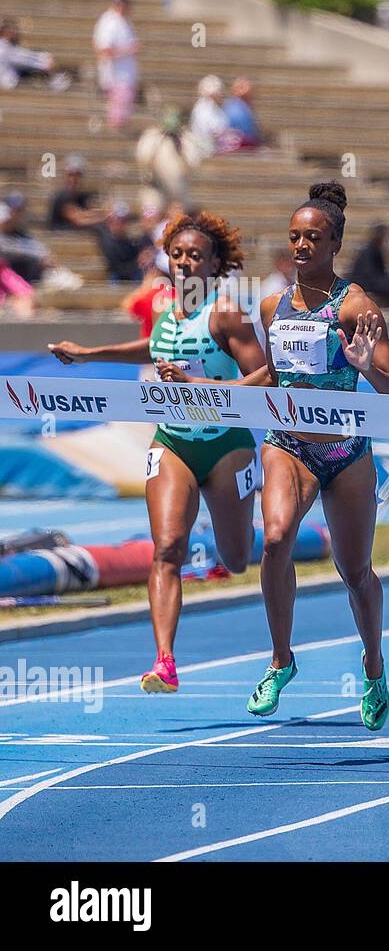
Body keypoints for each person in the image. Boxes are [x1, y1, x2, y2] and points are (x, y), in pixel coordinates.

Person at [48, 211, 266, 693]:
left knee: (236, 559)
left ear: (214, 264)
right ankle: (164, 660)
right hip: (174, 442)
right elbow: (154, 347)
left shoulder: (227, 311)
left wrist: (204, 385)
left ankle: (239, 526)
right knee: (168, 547)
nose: (185, 262)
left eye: (195, 255)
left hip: (227, 445)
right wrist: (88, 355)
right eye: (178, 254)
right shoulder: (169, 310)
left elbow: (266, 376)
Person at [246, 181, 389, 732]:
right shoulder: (271, 306)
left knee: (356, 572)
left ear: (334, 244)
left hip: (346, 451)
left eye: (312, 238)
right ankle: (280, 658)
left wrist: (365, 364)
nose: (300, 247)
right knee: (274, 539)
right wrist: (203, 389)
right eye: (294, 237)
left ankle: (373, 662)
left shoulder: (356, 306)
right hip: (288, 444)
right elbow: (273, 374)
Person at [92, 0, 138, 132]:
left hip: (125, 76)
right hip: (116, 76)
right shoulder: (110, 22)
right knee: (117, 115)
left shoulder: (124, 21)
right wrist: (129, 50)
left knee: (124, 110)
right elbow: (104, 50)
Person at [346, 222, 389, 309]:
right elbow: (369, 275)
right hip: (364, 282)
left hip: (372, 280)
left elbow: (381, 272)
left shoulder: (376, 250)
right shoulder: (368, 252)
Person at [95, 202, 150, 283]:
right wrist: (138, 262)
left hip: (132, 272)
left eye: (124, 221)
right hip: (117, 274)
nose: (121, 224)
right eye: (118, 220)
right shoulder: (107, 241)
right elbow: (116, 267)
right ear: (111, 221)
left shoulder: (131, 240)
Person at [48, 156, 107, 231]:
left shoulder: (82, 196)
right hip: (59, 239)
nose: (73, 179)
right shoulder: (62, 196)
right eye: (70, 175)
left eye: (78, 175)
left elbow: (86, 213)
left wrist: (104, 213)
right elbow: (79, 219)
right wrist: (105, 217)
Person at [190, 75, 234, 158]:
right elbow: (206, 129)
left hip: (218, 146)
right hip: (206, 148)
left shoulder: (214, 107)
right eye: (218, 91)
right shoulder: (201, 107)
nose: (220, 94)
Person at [223, 77, 260, 149]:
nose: (252, 93)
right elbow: (246, 134)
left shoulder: (240, 105)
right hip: (239, 145)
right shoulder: (234, 108)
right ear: (238, 90)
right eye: (249, 90)